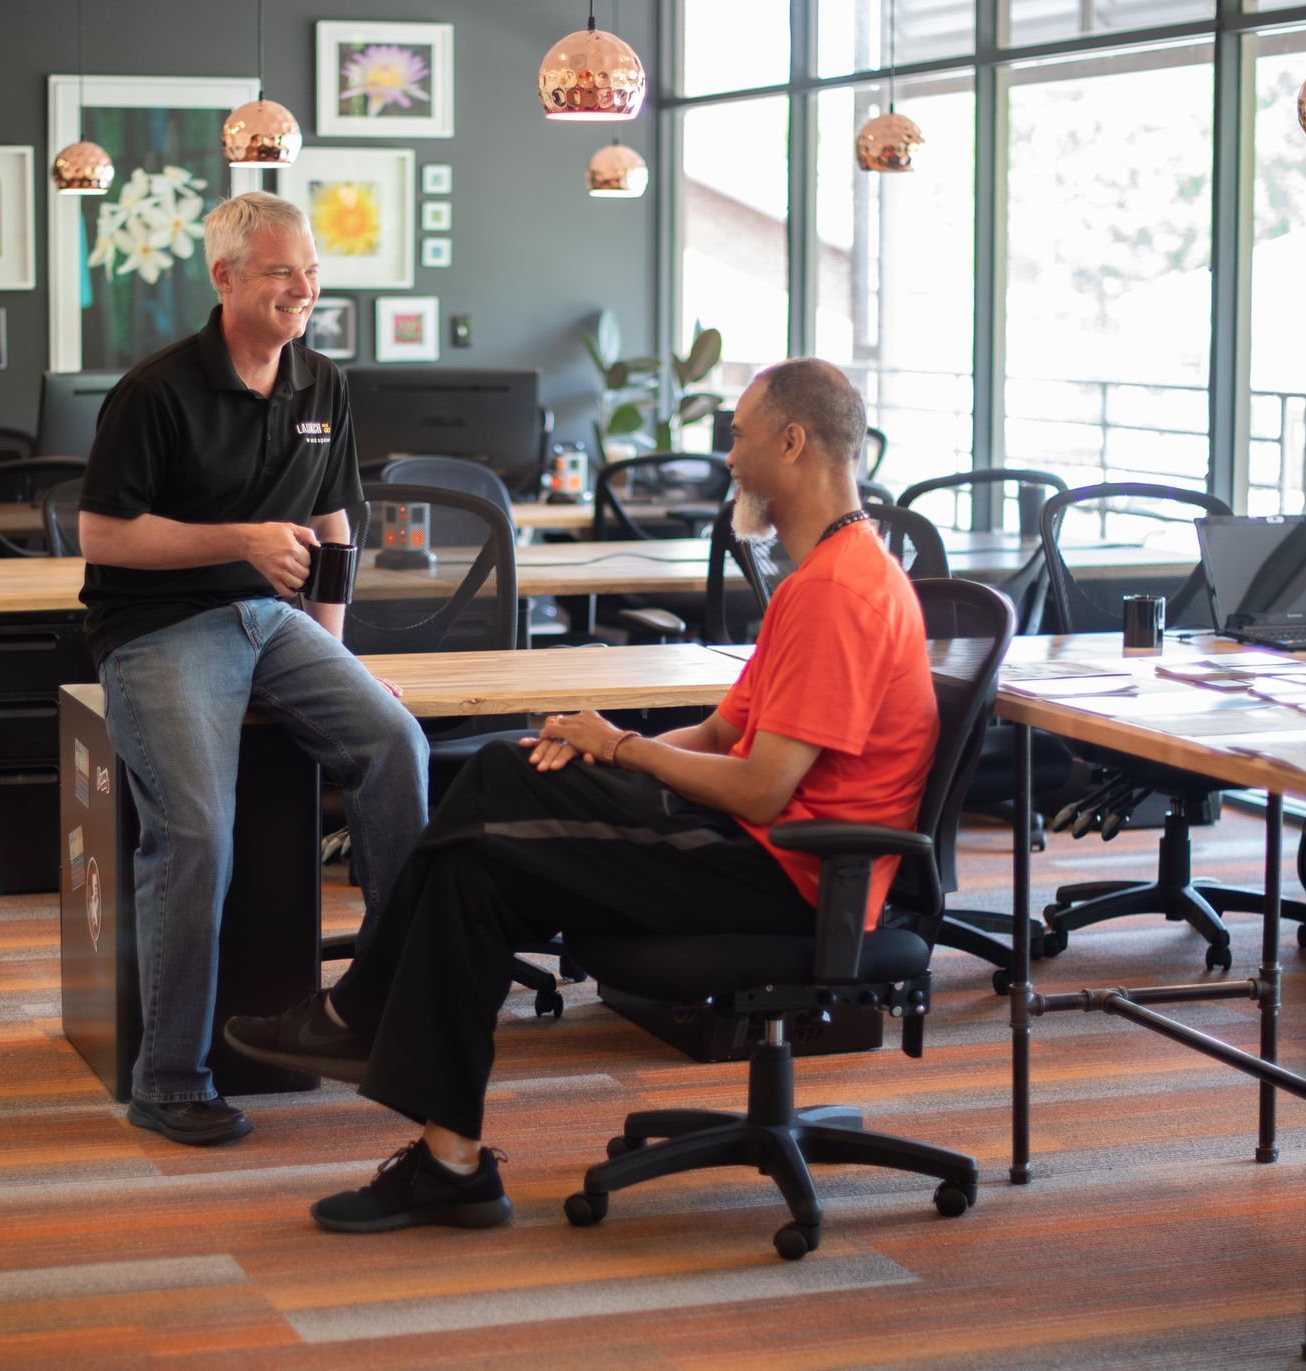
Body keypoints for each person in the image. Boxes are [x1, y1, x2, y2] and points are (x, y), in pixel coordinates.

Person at [224, 357, 937, 1230]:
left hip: (794, 877)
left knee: (491, 773)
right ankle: (451, 1162)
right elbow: (719, 736)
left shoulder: (838, 593)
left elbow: (760, 788)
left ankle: (356, 1010)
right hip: (755, 847)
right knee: (479, 863)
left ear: (793, 442)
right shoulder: (823, 577)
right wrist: (595, 757)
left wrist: (624, 746)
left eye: (740, 437)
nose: (729, 460)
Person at [77, 191, 428, 1147]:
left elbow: (333, 525)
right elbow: (102, 536)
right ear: (225, 277)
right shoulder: (155, 392)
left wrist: (335, 648)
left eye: (311, 273)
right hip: (158, 627)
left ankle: (392, 1006)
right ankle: (170, 1075)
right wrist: (235, 539)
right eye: (281, 273)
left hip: (276, 625)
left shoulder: (322, 385)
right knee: (196, 833)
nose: (303, 289)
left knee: (395, 743)